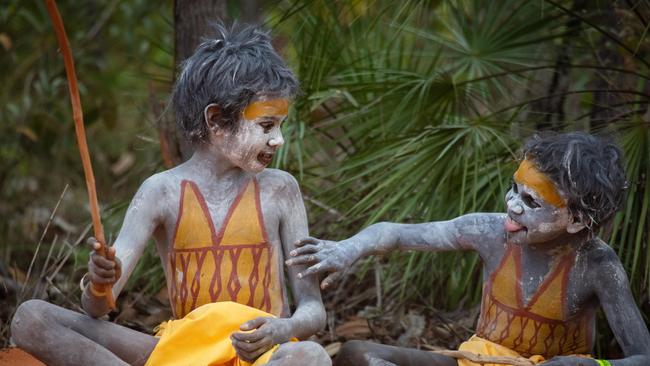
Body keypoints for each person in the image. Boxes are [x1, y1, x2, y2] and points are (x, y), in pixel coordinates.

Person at [11, 23, 331, 366]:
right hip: (180, 352)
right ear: (217, 121)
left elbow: (313, 309)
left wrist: (284, 329)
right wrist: (99, 283)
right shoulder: (160, 191)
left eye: (280, 125)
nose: (278, 139)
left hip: (263, 356)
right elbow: (97, 308)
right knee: (31, 318)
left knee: (310, 356)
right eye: (267, 126)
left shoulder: (281, 189)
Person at [286, 132, 650, 366]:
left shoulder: (599, 265)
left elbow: (643, 356)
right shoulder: (489, 231)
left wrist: (592, 365)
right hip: (475, 360)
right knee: (356, 354)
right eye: (514, 189)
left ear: (575, 220)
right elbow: (394, 233)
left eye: (531, 201)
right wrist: (347, 249)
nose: (513, 205)